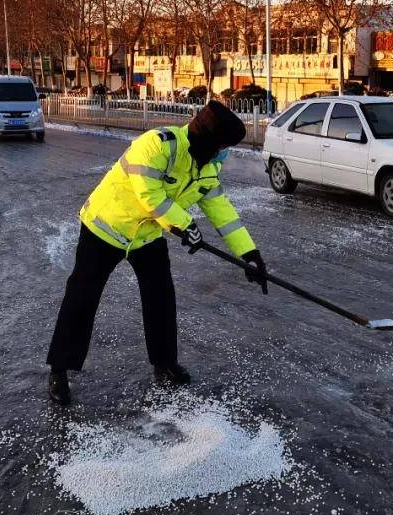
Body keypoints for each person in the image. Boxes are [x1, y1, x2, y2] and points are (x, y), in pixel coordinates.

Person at [45, 100, 267, 405]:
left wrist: (248, 252)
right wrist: (185, 225)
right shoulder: (157, 145)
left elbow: (220, 209)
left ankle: (164, 363)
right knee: (82, 298)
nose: (221, 154)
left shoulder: (207, 166)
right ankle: (59, 369)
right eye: (220, 147)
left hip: (146, 235)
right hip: (106, 226)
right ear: (205, 141)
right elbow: (150, 196)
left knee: (160, 296)